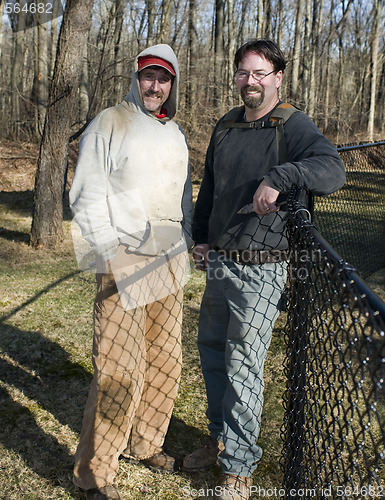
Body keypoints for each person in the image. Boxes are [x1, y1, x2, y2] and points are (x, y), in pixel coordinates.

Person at [183, 39, 345, 500]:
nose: (249, 82)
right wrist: (200, 237)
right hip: (220, 261)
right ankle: (220, 439)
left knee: (243, 366)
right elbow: (210, 187)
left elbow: (331, 169)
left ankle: (239, 469)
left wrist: (280, 177)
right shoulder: (226, 125)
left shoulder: (291, 124)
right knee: (212, 353)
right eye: (242, 72)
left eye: (259, 74)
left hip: (263, 267)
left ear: (277, 78)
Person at [69, 44, 192, 500]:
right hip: (124, 253)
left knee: (164, 358)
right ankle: (94, 474)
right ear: (135, 78)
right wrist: (107, 250)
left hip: (170, 254)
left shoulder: (175, 133)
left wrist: (189, 239)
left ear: (173, 84)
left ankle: (147, 443)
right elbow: (86, 193)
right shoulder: (110, 122)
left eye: (164, 79)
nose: (155, 86)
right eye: (148, 76)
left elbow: (182, 200)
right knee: (119, 365)